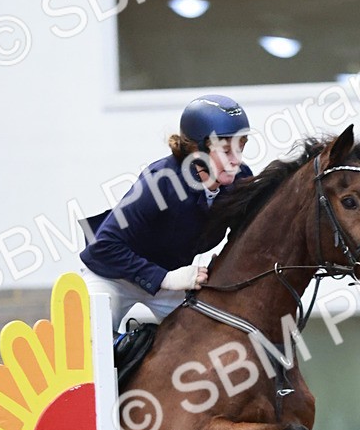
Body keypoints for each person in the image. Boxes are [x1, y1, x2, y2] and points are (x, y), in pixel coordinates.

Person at [80, 94, 252, 331]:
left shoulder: (240, 179)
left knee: (208, 335)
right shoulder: (160, 183)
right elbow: (103, 247)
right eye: (226, 151)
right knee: (92, 335)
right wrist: (165, 279)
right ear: (197, 150)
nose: (237, 161)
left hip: (172, 281)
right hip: (112, 275)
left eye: (241, 147)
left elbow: (248, 232)